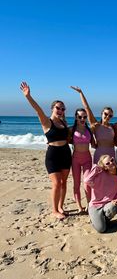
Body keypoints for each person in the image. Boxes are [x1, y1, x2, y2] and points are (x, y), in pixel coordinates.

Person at [20, 82, 71, 220]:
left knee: (64, 182)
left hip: (66, 153)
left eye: (62, 109)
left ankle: (61, 206)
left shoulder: (64, 123)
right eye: (58, 108)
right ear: (52, 108)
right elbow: (38, 110)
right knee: (56, 183)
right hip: (53, 154)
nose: (60, 110)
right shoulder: (47, 122)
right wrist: (28, 96)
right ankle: (54, 210)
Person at [70, 86, 116, 164]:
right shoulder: (96, 125)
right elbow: (87, 108)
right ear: (102, 113)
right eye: (105, 114)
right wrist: (81, 93)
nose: (107, 116)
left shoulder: (113, 126)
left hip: (111, 152)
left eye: (110, 116)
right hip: (100, 153)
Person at [84, 155, 117, 233]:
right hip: (95, 205)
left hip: (108, 205)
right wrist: (96, 168)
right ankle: (96, 220)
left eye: (112, 160)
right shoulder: (100, 175)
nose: (111, 163)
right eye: (107, 163)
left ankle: (101, 221)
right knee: (101, 229)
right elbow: (87, 180)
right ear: (105, 167)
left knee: (113, 206)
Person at [69, 108, 95, 213]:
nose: (82, 119)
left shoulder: (89, 130)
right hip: (75, 159)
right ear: (76, 117)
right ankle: (79, 207)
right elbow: (63, 140)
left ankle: (89, 204)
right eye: (80, 117)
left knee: (87, 182)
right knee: (76, 184)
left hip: (87, 159)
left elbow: (94, 144)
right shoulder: (71, 129)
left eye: (84, 117)